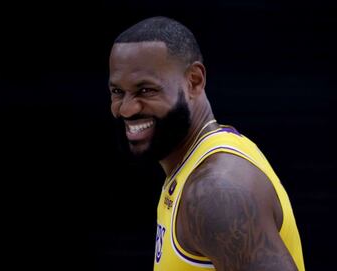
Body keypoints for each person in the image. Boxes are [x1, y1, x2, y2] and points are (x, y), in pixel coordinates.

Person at [108, 16, 305, 271]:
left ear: (194, 81)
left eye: (146, 90)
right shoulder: (196, 164)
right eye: (117, 92)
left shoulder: (214, 191)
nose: (126, 108)